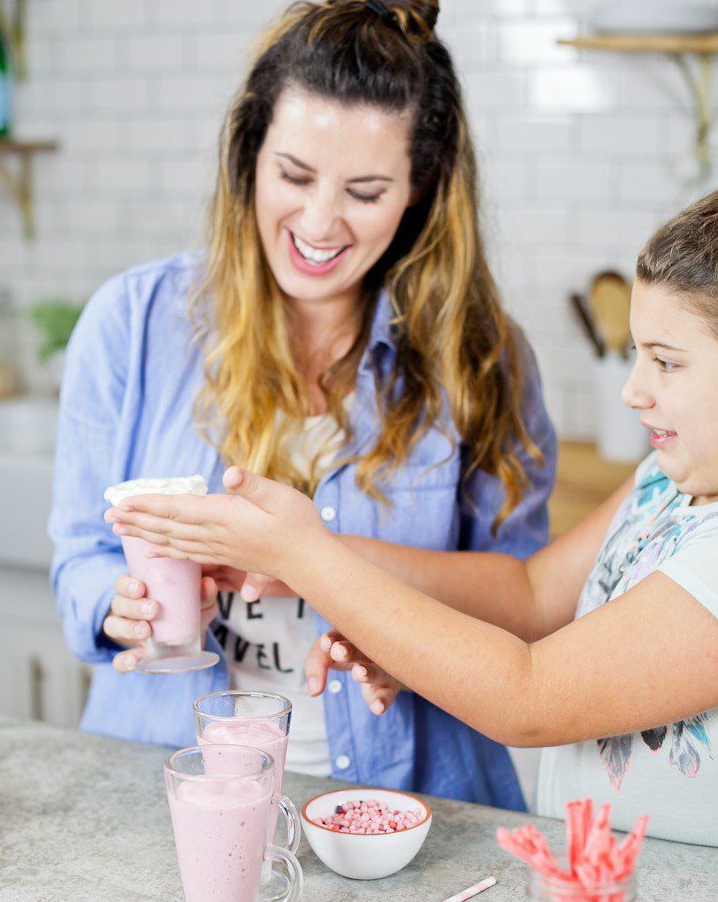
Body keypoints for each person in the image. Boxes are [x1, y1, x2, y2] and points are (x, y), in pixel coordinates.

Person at [51, 0, 556, 809]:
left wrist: (368, 606)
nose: (319, 224)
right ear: (249, 156)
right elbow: (79, 559)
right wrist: (118, 605)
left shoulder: (482, 357)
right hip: (170, 794)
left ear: (419, 191)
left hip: (414, 804)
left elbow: (522, 597)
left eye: (365, 191)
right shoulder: (130, 324)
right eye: (293, 176)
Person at [104, 190, 718, 847]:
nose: (633, 389)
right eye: (636, 354)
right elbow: (532, 593)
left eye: (666, 361)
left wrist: (306, 557)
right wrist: (295, 557)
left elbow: (527, 696)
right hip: (606, 892)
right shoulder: (663, 480)